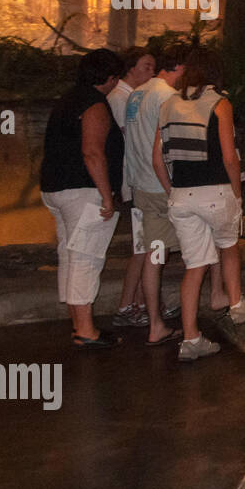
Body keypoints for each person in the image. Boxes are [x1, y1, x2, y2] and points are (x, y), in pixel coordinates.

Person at [154, 47, 245, 361]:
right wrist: (237, 193)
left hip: (181, 196)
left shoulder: (168, 104)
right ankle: (237, 304)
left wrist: (172, 190)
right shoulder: (220, 104)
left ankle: (190, 340)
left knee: (194, 267)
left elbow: (157, 160)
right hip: (216, 191)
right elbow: (230, 157)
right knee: (229, 247)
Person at [124, 39, 229, 345]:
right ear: (181, 67)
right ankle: (218, 295)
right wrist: (173, 188)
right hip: (166, 185)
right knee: (206, 243)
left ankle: (155, 322)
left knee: (153, 255)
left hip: (141, 185)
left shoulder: (136, 93)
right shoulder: (169, 97)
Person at [40, 48, 126, 349]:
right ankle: (87, 331)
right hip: (82, 191)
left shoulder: (67, 99)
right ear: (111, 77)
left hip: (55, 188)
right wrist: (107, 197)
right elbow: (92, 152)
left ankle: (78, 323)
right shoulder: (93, 104)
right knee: (86, 258)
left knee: (70, 253)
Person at [108, 46, 156, 329]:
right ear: (131, 68)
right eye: (147, 66)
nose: (151, 72)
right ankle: (128, 305)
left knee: (144, 245)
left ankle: (141, 303)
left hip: (137, 180)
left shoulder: (131, 97)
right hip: (135, 181)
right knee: (142, 247)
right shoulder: (120, 98)